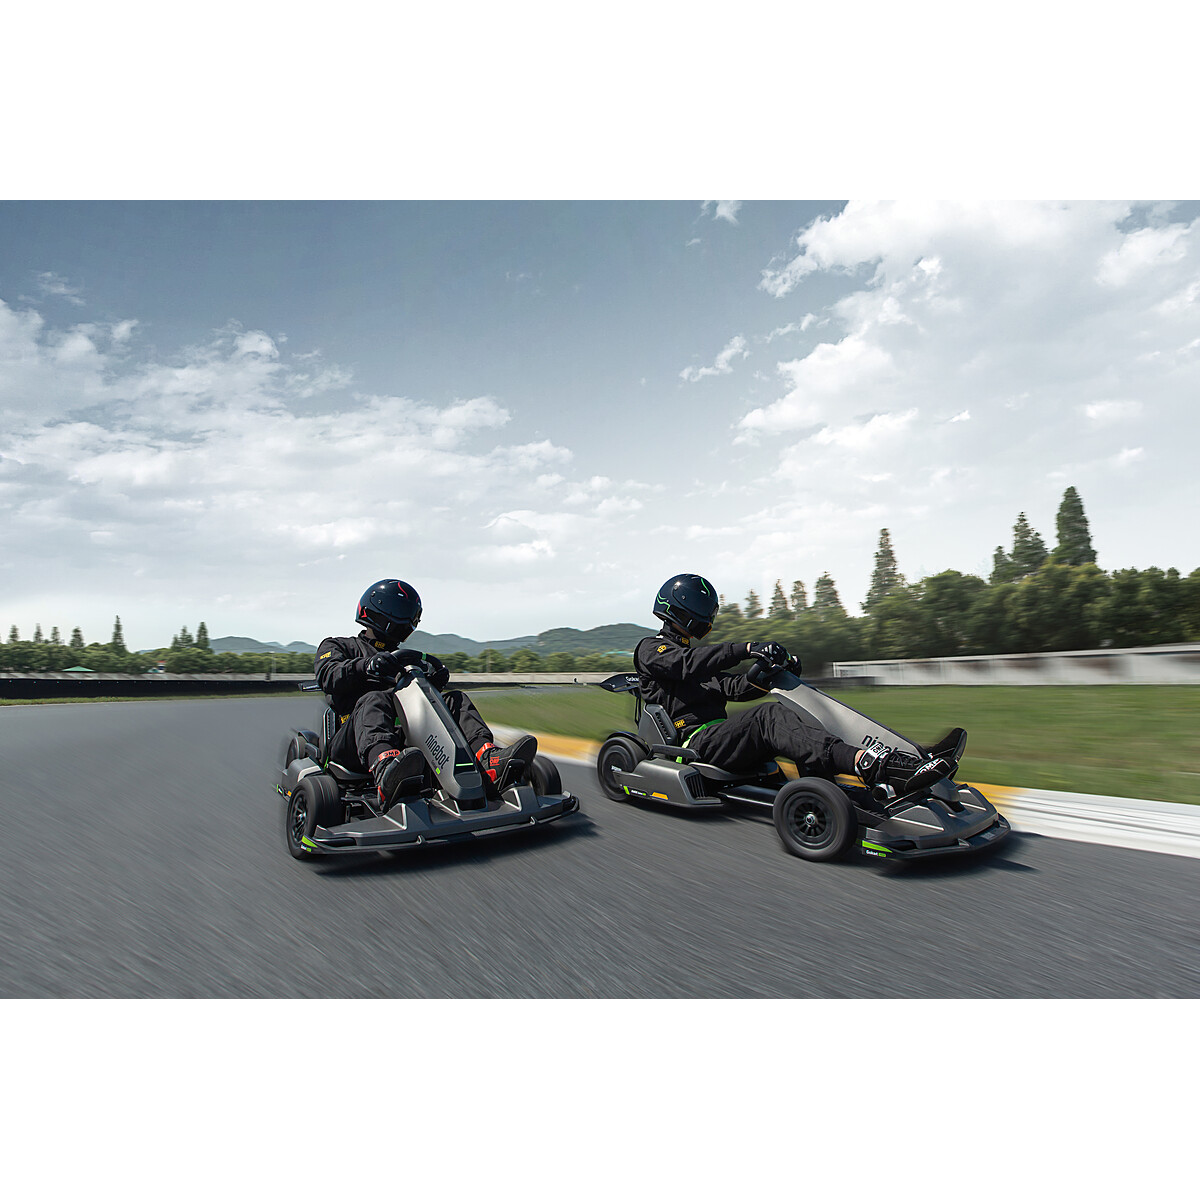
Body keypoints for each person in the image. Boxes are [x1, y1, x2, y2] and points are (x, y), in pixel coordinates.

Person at [634, 573, 953, 796]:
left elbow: (734, 690)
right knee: (767, 717)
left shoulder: (697, 661)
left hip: (721, 739)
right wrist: (746, 649)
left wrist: (769, 672)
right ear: (680, 610)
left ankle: (908, 758)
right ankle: (868, 764)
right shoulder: (652, 649)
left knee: (794, 712)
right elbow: (683, 664)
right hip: (692, 744)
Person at [315, 579, 536, 807]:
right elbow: (328, 674)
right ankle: (385, 769)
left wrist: (434, 681)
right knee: (375, 699)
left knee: (455, 699)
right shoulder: (339, 645)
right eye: (398, 610)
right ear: (377, 609)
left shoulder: (404, 658)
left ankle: (488, 761)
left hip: (403, 740)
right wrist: (366, 666)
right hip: (352, 739)